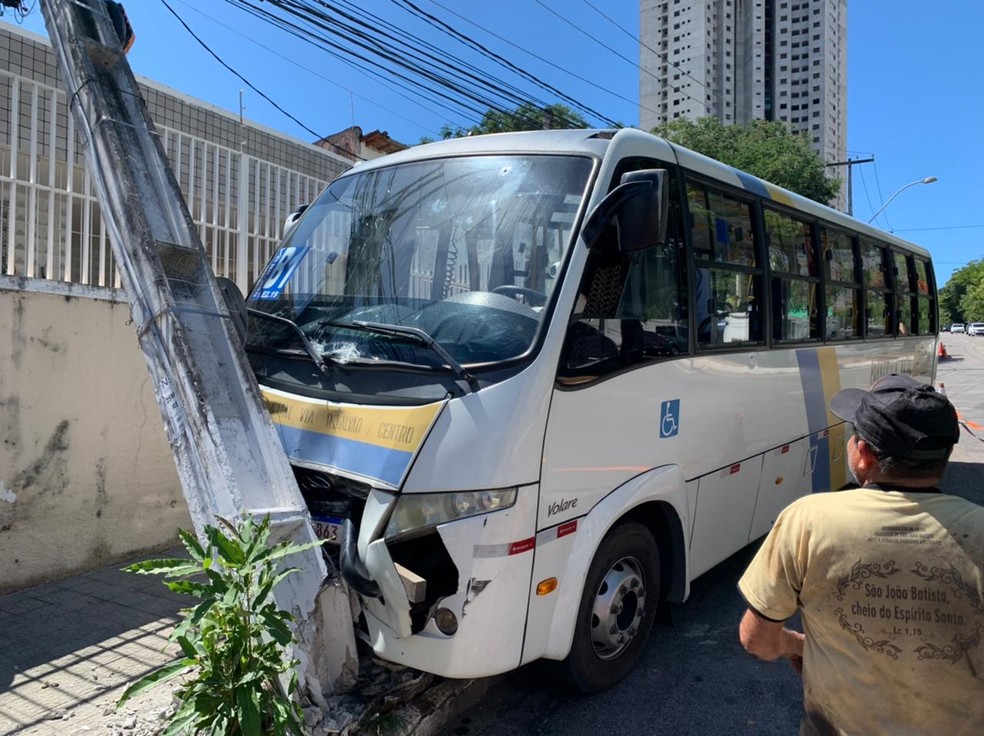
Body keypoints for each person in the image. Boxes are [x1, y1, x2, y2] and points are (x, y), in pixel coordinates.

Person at [737, 373, 984, 735]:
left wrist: (797, 646)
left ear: (864, 454)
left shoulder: (807, 521)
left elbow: (756, 639)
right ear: (945, 456)